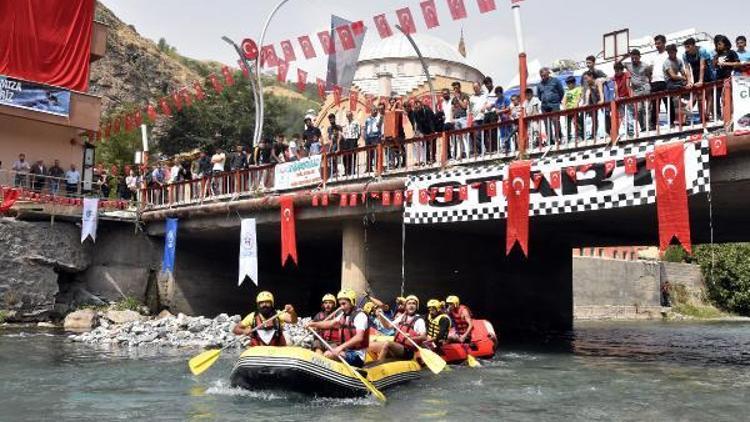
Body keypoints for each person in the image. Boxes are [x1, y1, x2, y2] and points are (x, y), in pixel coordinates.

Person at [306, 289, 369, 367]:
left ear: (352, 302)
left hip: (357, 355)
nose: (342, 307)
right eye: (340, 304)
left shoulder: (360, 316)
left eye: (344, 304)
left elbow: (359, 337)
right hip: (346, 351)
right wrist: (313, 324)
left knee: (327, 355)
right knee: (322, 354)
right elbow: (330, 324)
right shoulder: (343, 314)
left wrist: (340, 347)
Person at [232, 291, 297, 347]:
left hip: (277, 348)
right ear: (258, 304)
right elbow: (235, 329)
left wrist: (292, 312)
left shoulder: (278, 314)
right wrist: (244, 331)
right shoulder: (252, 316)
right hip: (258, 349)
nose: (264, 305)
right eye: (261, 303)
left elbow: (293, 321)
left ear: (272, 304)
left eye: (267, 302)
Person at [377, 295, 426, 361]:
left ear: (416, 307)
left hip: (408, 351)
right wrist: (381, 316)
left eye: (414, 304)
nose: (411, 305)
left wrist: (411, 338)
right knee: (373, 345)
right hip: (398, 346)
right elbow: (388, 326)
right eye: (409, 303)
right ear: (406, 306)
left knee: (387, 343)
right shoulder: (403, 316)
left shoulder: (419, 320)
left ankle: (377, 364)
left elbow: (423, 337)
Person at [617, 49, 652, 131]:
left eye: (636, 58)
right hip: (636, 90)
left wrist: (647, 82)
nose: (634, 60)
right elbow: (616, 64)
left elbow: (650, 75)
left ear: (639, 57)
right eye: (633, 58)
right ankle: (643, 127)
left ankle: (648, 126)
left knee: (647, 108)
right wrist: (624, 57)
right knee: (639, 109)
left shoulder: (645, 65)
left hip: (645, 87)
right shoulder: (629, 65)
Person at [537, 67, 565, 144]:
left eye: (544, 75)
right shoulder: (539, 84)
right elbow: (539, 96)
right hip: (544, 106)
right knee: (547, 123)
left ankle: (558, 138)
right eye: (541, 76)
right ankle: (550, 140)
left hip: (554, 104)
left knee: (556, 121)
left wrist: (556, 100)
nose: (543, 77)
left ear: (548, 73)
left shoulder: (555, 81)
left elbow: (561, 92)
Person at [664, 44, 689, 125]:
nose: (670, 54)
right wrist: (683, 78)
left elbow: (683, 72)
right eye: (669, 53)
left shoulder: (679, 61)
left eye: (672, 52)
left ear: (675, 51)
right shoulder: (667, 62)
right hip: (669, 82)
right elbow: (673, 76)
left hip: (678, 81)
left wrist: (686, 80)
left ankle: (687, 110)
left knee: (691, 89)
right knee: (676, 90)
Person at [648, 35, 670, 129]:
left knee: (668, 103)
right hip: (654, 82)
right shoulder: (654, 57)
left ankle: (672, 121)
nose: (657, 45)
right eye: (656, 43)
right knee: (655, 105)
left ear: (664, 43)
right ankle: (653, 124)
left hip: (665, 81)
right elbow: (650, 69)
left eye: (659, 43)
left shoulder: (668, 54)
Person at [450, 82, 470, 159]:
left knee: (465, 136)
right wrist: (452, 118)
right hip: (456, 119)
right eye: (454, 88)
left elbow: (465, 106)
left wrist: (458, 98)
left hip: (463, 118)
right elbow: (452, 109)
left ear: (459, 87)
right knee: (458, 137)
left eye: (456, 87)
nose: (455, 89)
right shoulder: (453, 99)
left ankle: (467, 152)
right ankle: (459, 154)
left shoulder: (464, 95)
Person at [469, 82, 487, 155]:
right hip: (476, 118)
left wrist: (484, 107)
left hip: (484, 117)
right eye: (474, 88)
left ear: (480, 87)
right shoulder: (472, 98)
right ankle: (482, 150)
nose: (475, 89)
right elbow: (471, 108)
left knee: (486, 135)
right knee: (476, 135)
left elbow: (487, 103)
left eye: (476, 87)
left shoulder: (485, 95)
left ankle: (487, 149)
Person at [562, 76, 583, 142]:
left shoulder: (578, 89)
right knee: (567, 124)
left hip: (574, 109)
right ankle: (568, 137)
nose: (568, 85)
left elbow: (578, 97)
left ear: (573, 83)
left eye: (569, 83)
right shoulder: (567, 92)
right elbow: (564, 100)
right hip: (568, 110)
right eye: (567, 83)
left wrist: (576, 105)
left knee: (576, 123)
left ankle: (579, 136)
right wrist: (564, 107)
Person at [341, 111, 361, 175]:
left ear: (352, 115)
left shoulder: (356, 122)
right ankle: (347, 171)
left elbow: (359, 132)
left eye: (349, 115)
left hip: (353, 139)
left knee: (352, 156)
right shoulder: (346, 123)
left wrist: (356, 139)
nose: (348, 117)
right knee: (345, 156)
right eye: (347, 116)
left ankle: (352, 171)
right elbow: (344, 131)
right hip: (347, 140)